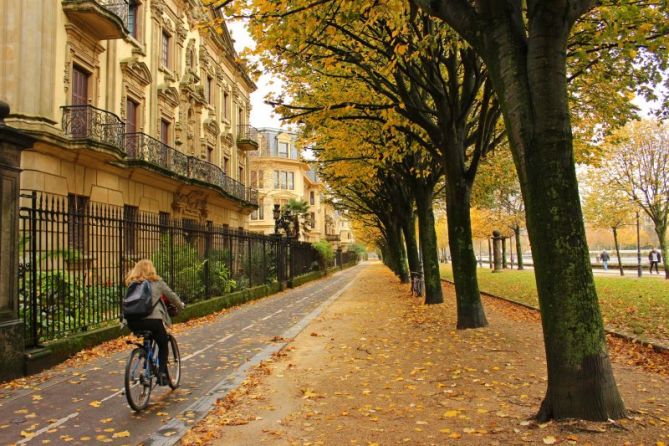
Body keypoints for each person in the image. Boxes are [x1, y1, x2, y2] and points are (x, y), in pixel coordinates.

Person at [124, 259, 185, 385]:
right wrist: (181, 306)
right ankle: (162, 373)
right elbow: (172, 296)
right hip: (152, 321)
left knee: (149, 338)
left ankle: (147, 361)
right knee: (163, 343)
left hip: (133, 322)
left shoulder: (132, 283)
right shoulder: (157, 282)